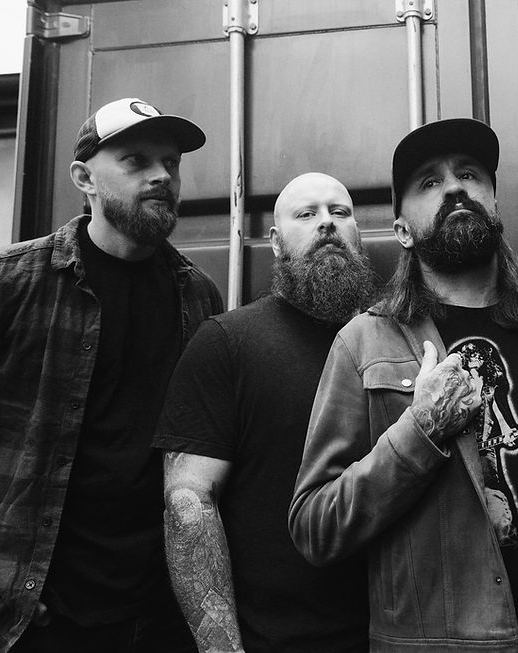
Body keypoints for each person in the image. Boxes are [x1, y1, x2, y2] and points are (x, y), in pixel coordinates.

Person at [289, 118, 518, 652]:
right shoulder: (363, 343)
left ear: (495, 205)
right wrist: (420, 430)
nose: (455, 187)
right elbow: (315, 527)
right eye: (430, 182)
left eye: (469, 174)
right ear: (402, 230)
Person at [0, 97, 223, 653]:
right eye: (136, 160)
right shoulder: (6, 285)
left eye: (171, 162)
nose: (162, 175)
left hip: (158, 614)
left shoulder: (198, 295)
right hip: (36, 617)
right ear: (84, 179)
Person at [155, 172, 375, 653]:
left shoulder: (391, 340)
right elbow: (190, 502)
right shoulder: (227, 343)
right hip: (275, 641)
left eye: (339, 212)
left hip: (394, 636)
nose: (326, 223)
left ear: (358, 235)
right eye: (307, 214)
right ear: (275, 242)